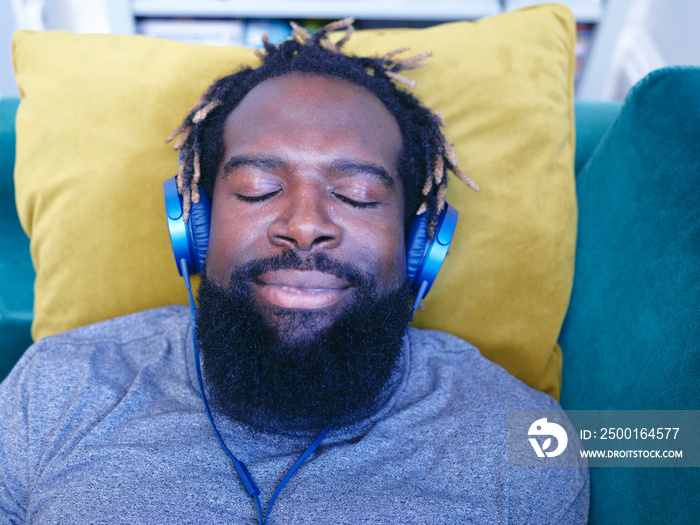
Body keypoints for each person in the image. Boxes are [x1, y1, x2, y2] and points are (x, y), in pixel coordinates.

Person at [0, 19, 588, 524]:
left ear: (419, 243)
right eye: (258, 189)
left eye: (357, 194)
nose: (304, 225)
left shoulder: (522, 443)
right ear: (195, 226)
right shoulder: (53, 390)